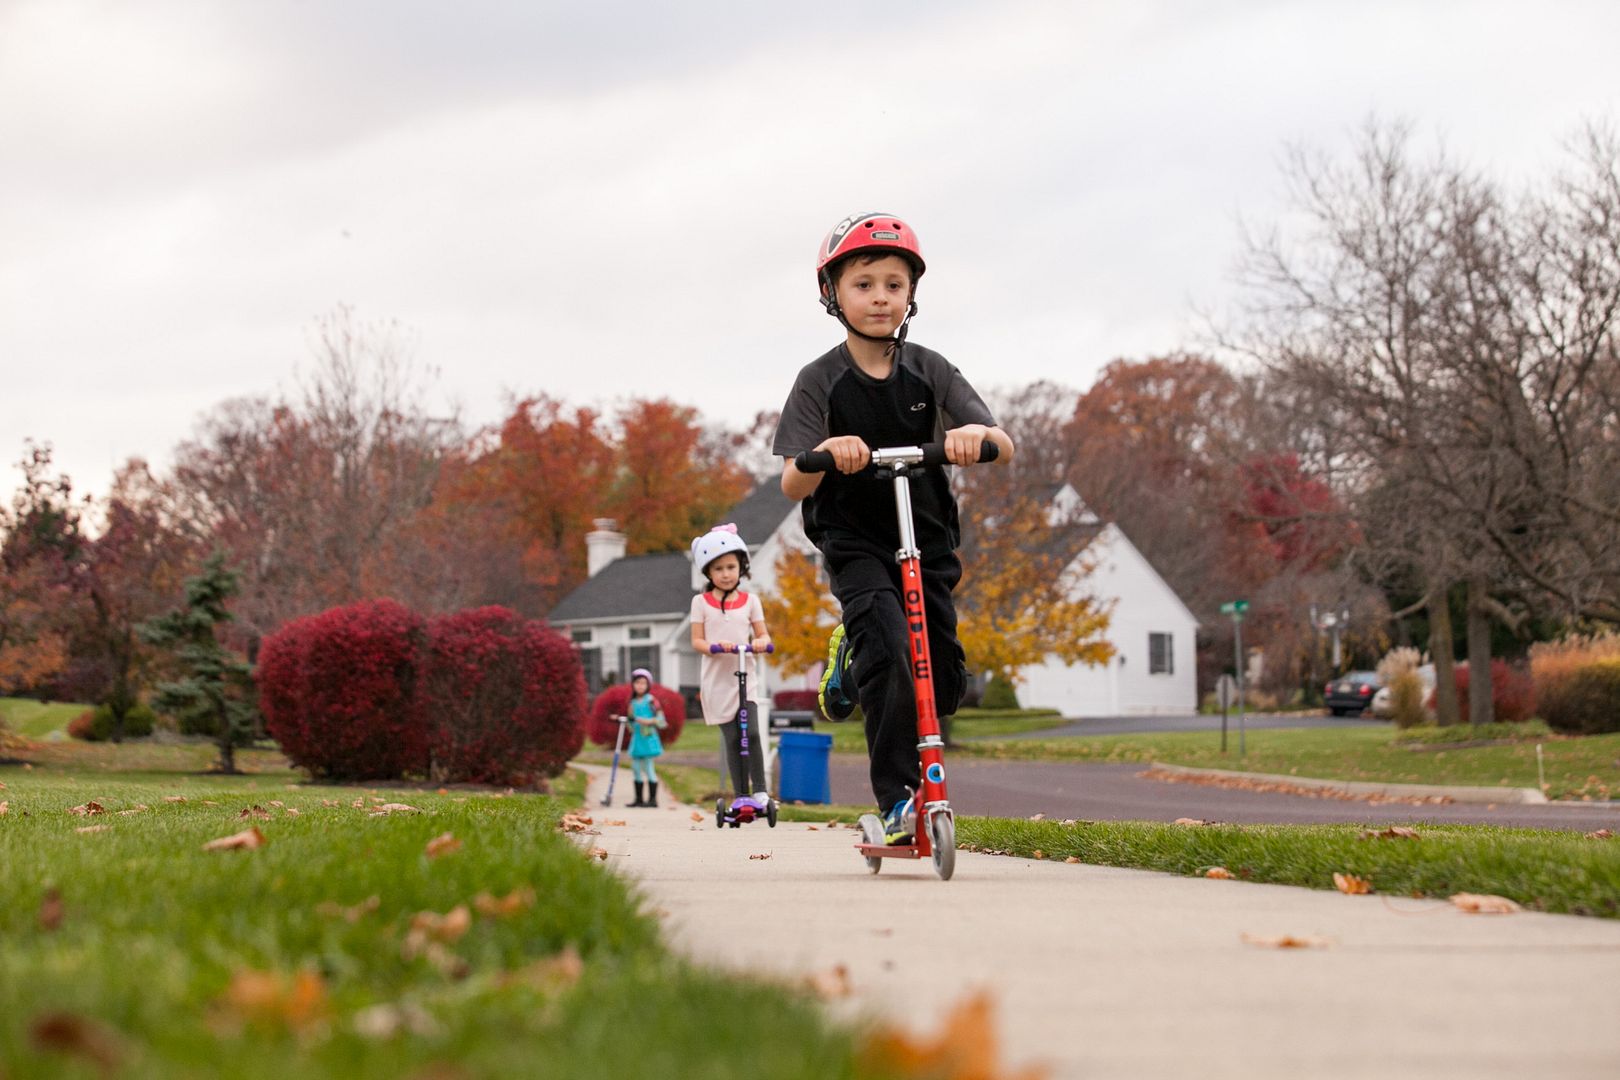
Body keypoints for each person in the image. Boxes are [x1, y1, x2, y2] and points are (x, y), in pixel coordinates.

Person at [773, 211, 1014, 845]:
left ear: (910, 296)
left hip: (927, 537)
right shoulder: (819, 380)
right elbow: (791, 480)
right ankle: (901, 799)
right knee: (890, 655)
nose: (880, 297)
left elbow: (1002, 443)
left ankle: (850, 658)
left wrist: (972, 434)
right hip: (856, 540)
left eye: (893, 284)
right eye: (864, 283)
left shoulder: (931, 371)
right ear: (833, 293)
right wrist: (828, 452)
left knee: (945, 679)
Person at [690, 524, 773, 804]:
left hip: (744, 676)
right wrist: (714, 647)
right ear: (708, 572)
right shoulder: (699, 602)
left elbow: (762, 634)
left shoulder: (752, 601)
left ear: (741, 568)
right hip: (717, 680)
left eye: (731, 567)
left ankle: (760, 791)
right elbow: (697, 641)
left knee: (751, 732)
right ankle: (741, 795)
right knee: (734, 739)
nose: (726, 574)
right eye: (718, 569)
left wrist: (761, 641)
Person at [625, 668, 667, 808]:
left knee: (649, 767)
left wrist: (649, 721)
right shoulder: (632, 702)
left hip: (648, 737)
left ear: (648, 685)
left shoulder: (651, 701)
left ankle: (653, 799)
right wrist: (628, 721)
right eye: (637, 683)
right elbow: (631, 719)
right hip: (637, 738)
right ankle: (638, 798)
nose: (640, 686)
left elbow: (661, 720)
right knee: (636, 768)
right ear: (633, 684)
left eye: (643, 683)